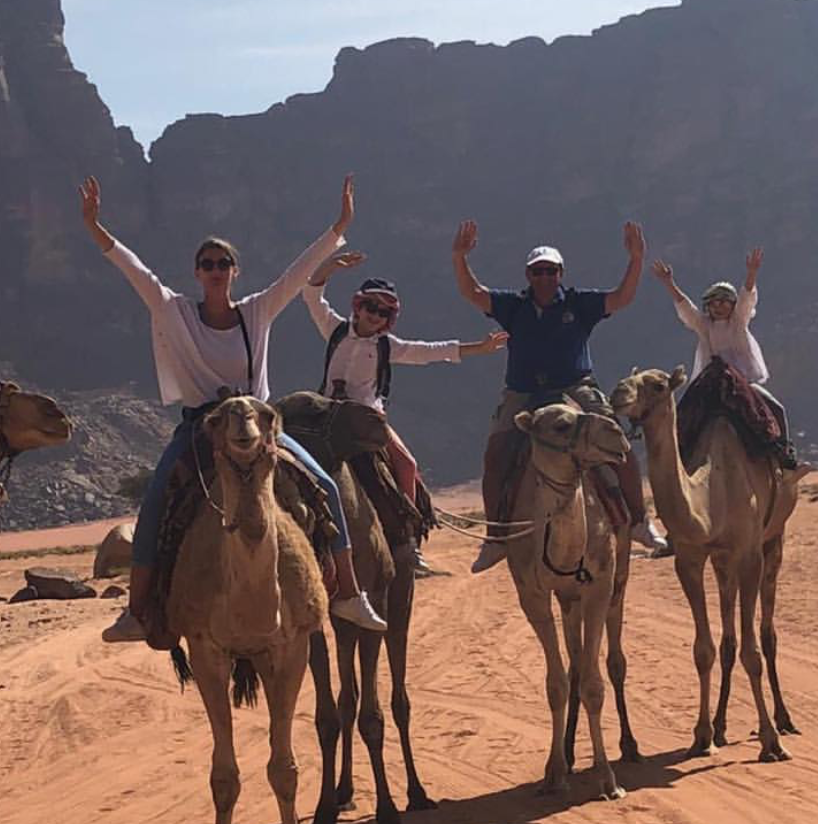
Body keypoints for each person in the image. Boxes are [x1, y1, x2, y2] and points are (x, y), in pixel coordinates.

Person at [79, 173, 387, 641]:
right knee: (156, 500)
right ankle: (136, 611)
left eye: (224, 263)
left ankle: (347, 592)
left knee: (324, 486)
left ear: (235, 271)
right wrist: (94, 227)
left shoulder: (257, 311)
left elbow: (297, 274)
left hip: (261, 428)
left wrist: (339, 227)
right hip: (201, 428)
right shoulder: (174, 311)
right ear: (197, 273)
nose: (216, 269)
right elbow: (134, 269)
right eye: (208, 263)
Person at [452, 220, 668, 573]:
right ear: (528, 275)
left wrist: (636, 259)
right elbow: (473, 292)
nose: (544, 277)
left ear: (560, 273)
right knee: (495, 455)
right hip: (523, 392)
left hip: (575, 387)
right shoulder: (513, 306)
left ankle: (640, 521)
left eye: (550, 271)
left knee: (617, 442)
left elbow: (621, 298)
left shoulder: (579, 303)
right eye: (538, 271)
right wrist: (460, 257)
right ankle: (496, 538)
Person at [304, 251, 508, 571]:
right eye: (371, 307)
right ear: (358, 306)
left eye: (383, 312)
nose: (375, 315)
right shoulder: (334, 329)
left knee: (406, 465)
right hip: (326, 417)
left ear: (390, 318)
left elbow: (429, 352)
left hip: (367, 421)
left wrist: (478, 349)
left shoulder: (388, 346)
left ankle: (407, 539)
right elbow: (312, 294)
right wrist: (329, 266)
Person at [651, 247, 792, 446]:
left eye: (724, 302)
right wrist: (669, 283)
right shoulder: (704, 325)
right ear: (707, 307)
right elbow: (686, 308)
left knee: (776, 409)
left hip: (743, 383)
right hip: (710, 384)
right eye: (713, 303)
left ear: (733, 305)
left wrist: (752, 273)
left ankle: (785, 453)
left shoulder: (738, 321)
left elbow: (747, 299)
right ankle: (678, 456)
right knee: (682, 415)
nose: (718, 307)